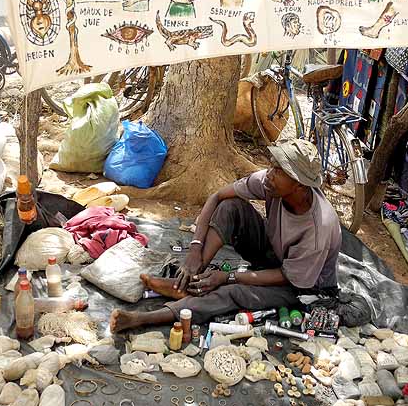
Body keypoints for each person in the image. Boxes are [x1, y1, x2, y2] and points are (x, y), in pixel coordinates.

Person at [110, 139, 342, 331]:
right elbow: (218, 197)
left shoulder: (318, 228)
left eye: (279, 171)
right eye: (272, 166)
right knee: (231, 207)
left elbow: (289, 277)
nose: (270, 174)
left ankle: (147, 318)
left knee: (233, 291)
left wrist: (228, 277)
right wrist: (195, 250)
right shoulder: (272, 183)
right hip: (274, 254)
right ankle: (191, 279)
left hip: (301, 286)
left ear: (300, 186)